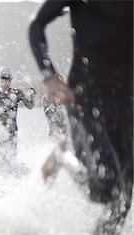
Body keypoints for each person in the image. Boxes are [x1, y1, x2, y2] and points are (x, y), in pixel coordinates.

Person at [29, 1, 133, 234]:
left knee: (122, 200)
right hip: (83, 97)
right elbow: (36, 26)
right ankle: (62, 156)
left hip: (126, 103)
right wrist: (49, 75)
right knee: (104, 188)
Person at [0, 66, 36, 160]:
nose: (6, 80)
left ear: (11, 79)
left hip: (12, 130)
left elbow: (30, 106)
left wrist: (32, 97)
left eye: (8, 78)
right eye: (4, 77)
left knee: (11, 158)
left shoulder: (17, 93)